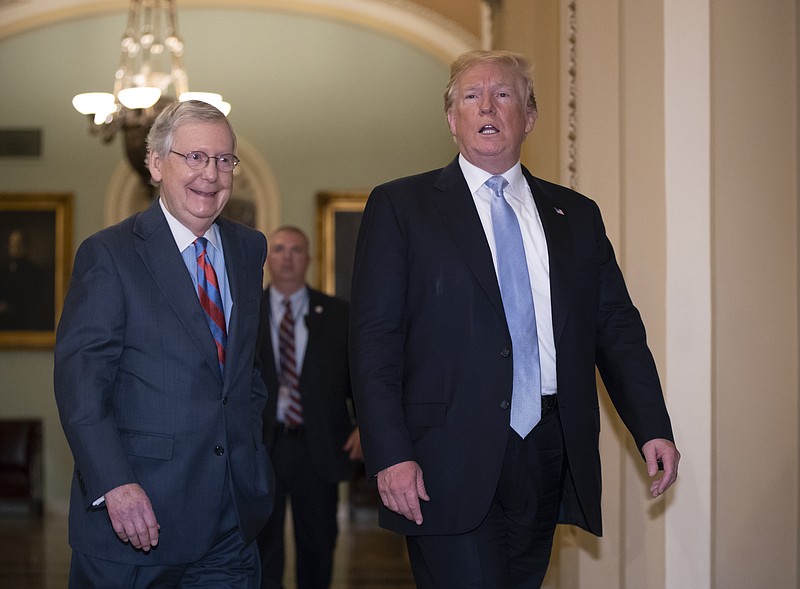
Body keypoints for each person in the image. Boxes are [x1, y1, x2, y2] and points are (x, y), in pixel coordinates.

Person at [348, 50, 680, 588]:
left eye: (503, 94)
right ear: (451, 119)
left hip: (546, 446)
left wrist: (651, 426)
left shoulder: (576, 215)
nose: (488, 106)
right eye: (471, 96)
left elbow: (616, 329)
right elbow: (373, 342)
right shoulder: (400, 208)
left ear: (528, 117)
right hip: (442, 457)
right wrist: (389, 453)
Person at [54, 100, 273, 588]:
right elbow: (81, 389)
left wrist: (252, 458)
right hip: (134, 520)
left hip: (232, 524)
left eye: (223, 160)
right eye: (194, 157)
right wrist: (114, 483)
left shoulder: (247, 249)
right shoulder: (108, 254)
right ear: (156, 164)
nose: (210, 174)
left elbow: (246, 372)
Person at [256, 226, 362, 589]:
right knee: (262, 548)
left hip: (319, 446)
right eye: (280, 249)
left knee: (317, 547)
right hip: (262, 447)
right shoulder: (245, 312)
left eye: (296, 250)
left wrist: (365, 425)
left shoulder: (337, 314)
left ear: (309, 259)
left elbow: (363, 375)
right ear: (267, 259)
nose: (287, 257)